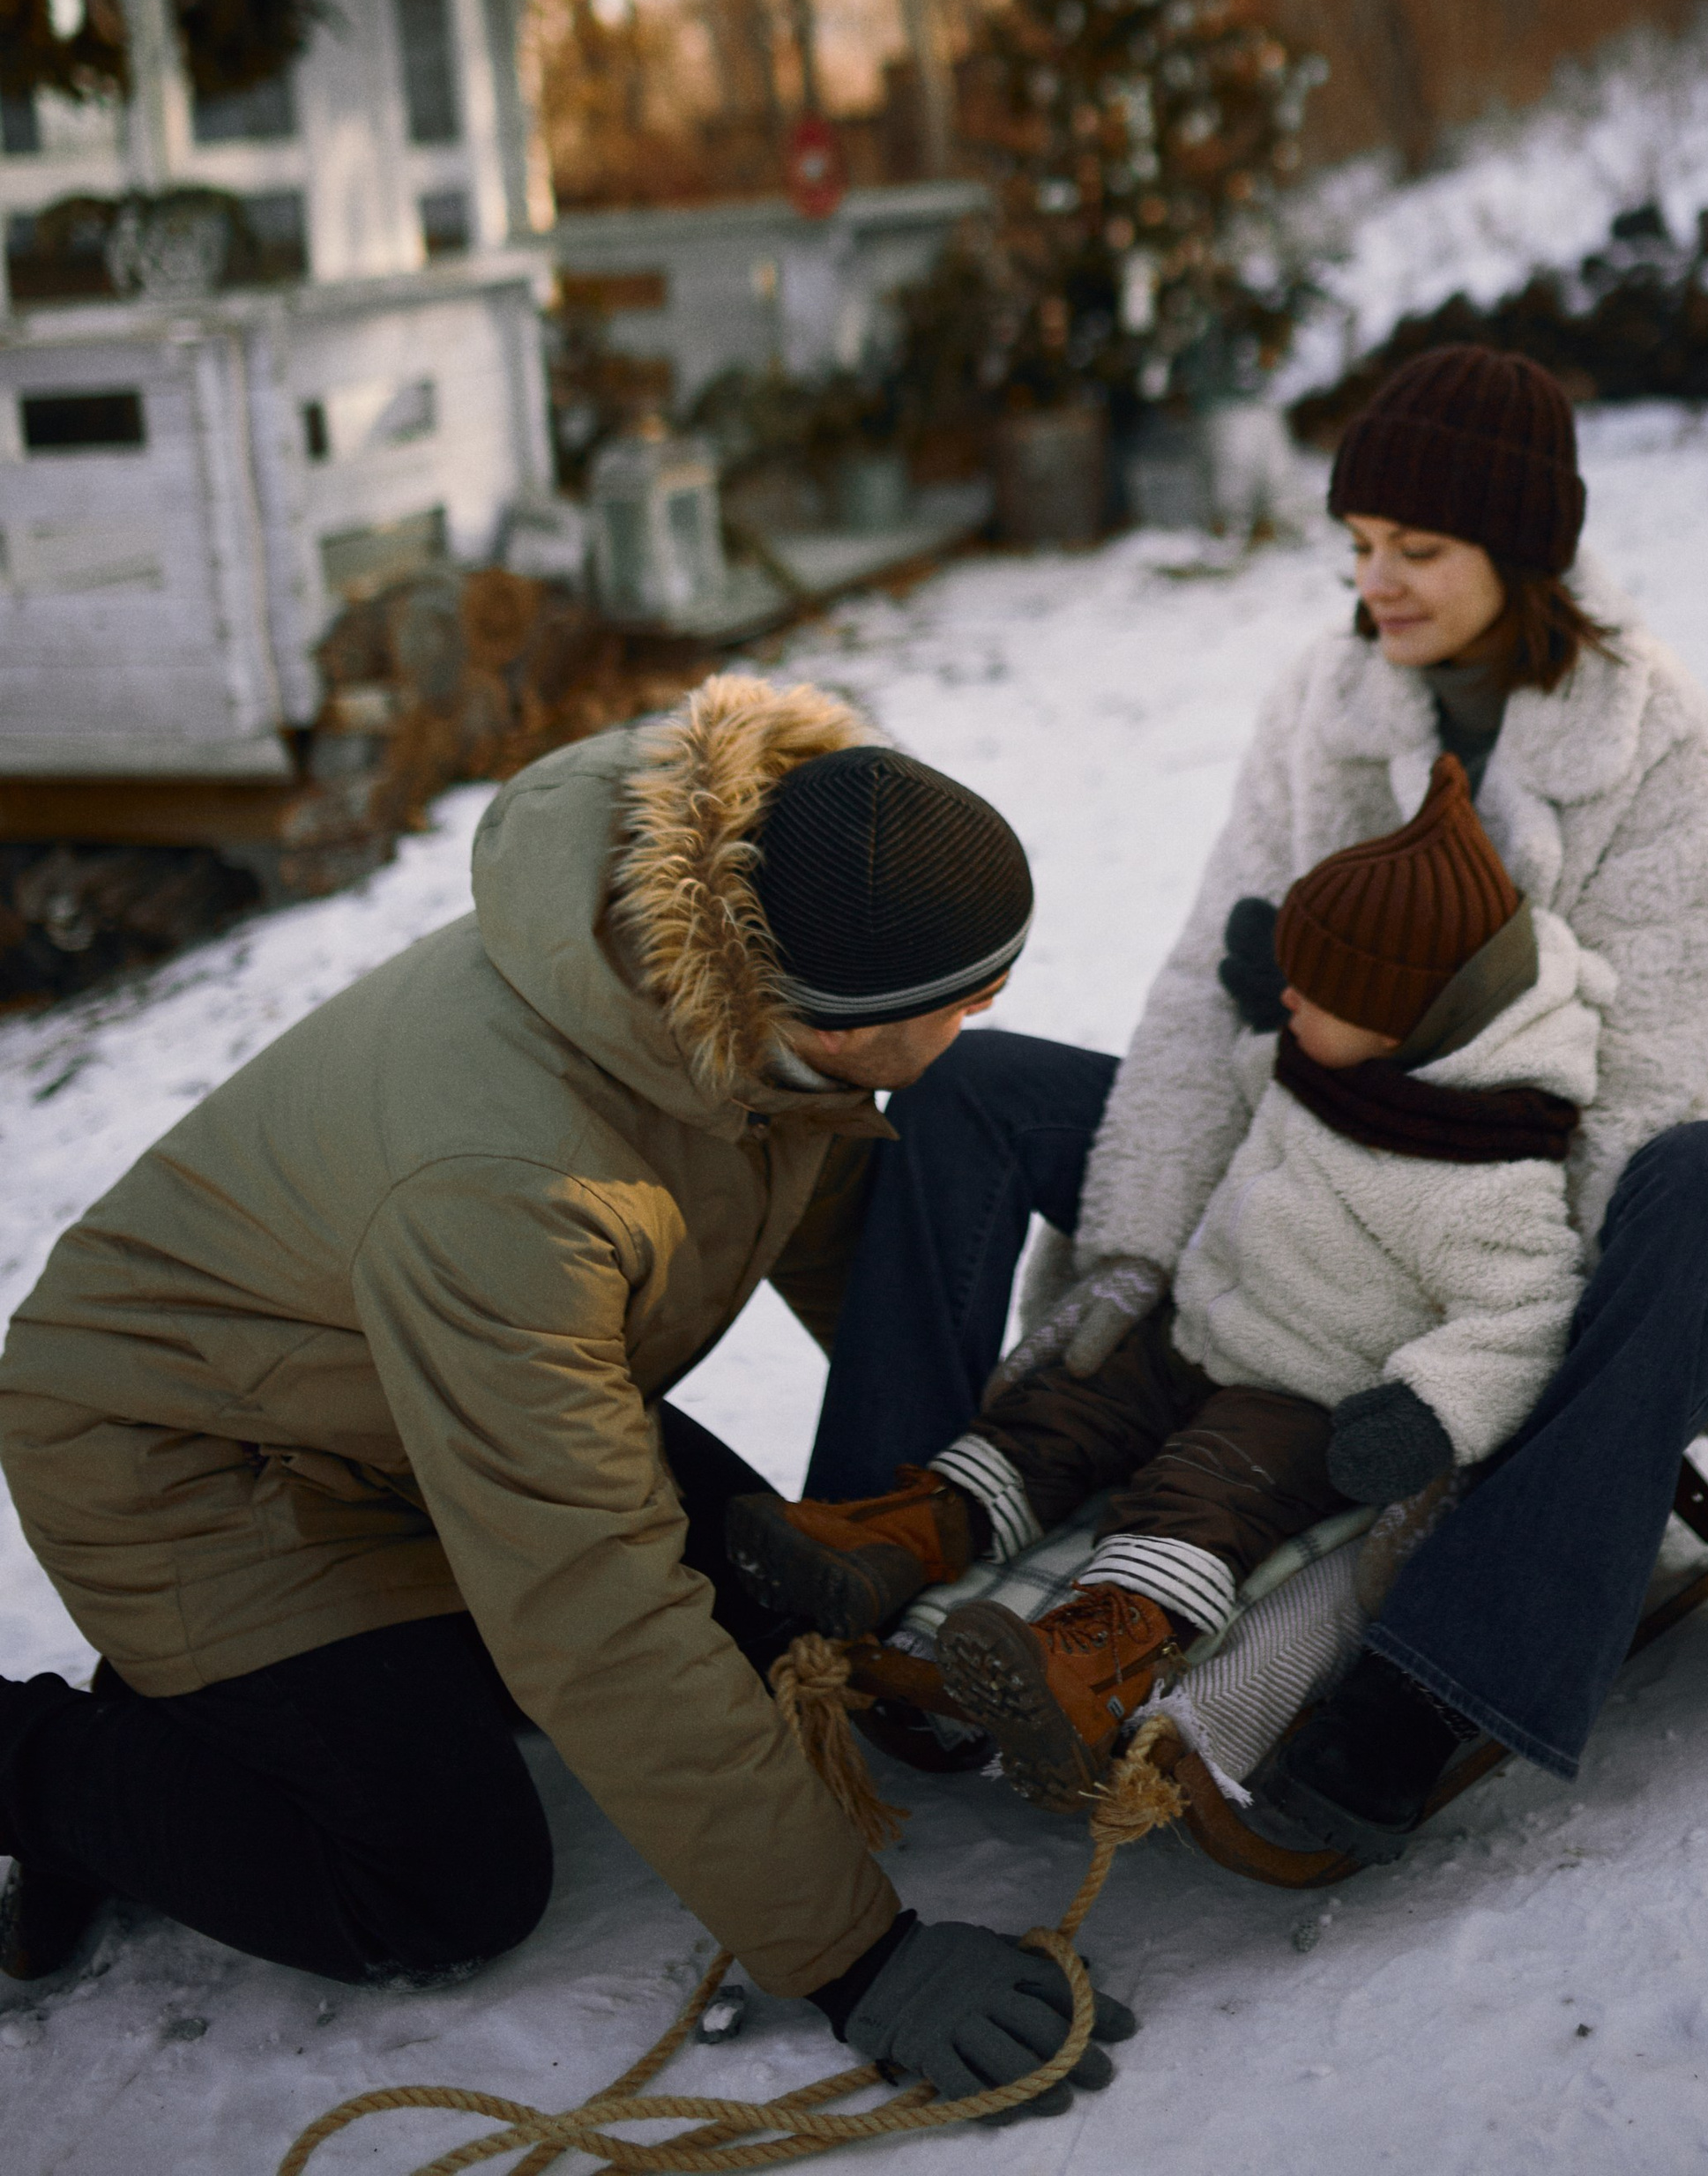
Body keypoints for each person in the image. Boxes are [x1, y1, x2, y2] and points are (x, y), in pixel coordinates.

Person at [0, 680, 1131, 2113]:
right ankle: (50, 1768)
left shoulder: (738, 947)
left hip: (425, 1397)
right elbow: (592, 1612)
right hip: (198, 1455)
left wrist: (985, 1493)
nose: (985, 1021)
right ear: (834, 1025)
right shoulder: (512, 1183)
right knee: (439, 1885)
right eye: (966, 1000)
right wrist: (859, 1958)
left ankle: (238, 1700)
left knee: (788, 1617)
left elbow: (848, 1237)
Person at [1002, 344, 1708, 1860]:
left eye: (1419, 550)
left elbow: (1636, 1076)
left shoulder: (1658, 740)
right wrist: (1139, 1250)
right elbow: (1190, 984)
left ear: (1522, 550)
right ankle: (883, 1548)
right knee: (963, 1084)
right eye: (1359, 548)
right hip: (1304, 1166)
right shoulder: (1324, 701)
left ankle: (1430, 1690)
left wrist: (1490, 1362)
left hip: (1550, 1195)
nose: (1378, 584)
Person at [735, 751, 1613, 1809]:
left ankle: (1098, 1652)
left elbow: (1522, 1316)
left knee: (1203, 1494)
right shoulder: (1322, 1055)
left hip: (1303, 1397)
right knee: (1053, 1413)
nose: (1288, 999)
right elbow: (1243, 1086)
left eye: (1312, 986)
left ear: (1398, 1021)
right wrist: (1268, 1002)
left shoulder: (1487, 1173)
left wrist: (1425, 1415)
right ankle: (907, 1537)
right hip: (1197, 1330)